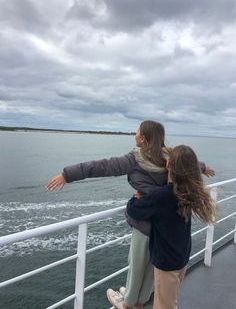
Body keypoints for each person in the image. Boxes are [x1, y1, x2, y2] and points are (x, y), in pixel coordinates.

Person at [46, 121, 214, 309]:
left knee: (136, 268)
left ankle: (128, 303)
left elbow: (101, 167)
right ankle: (138, 299)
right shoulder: (170, 156)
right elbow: (188, 163)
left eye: (137, 132)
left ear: (143, 138)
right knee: (151, 271)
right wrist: (204, 167)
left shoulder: (134, 159)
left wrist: (66, 175)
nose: (134, 135)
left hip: (144, 223)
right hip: (165, 228)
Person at [125, 145, 216, 309]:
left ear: (168, 165)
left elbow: (135, 211)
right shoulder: (189, 191)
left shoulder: (163, 196)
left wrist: (134, 198)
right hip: (181, 256)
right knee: (169, 299)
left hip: (167, 262)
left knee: (165, 305)